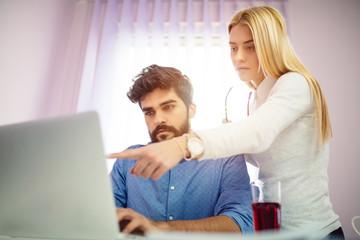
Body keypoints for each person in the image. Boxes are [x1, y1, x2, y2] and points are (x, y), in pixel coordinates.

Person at [108, 6, 343, 239]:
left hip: (314, 232)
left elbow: (259, 133)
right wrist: (230, 139)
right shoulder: (256, 99)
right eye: (233, 48)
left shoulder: (296, 83)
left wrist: (183, 145)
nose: (238, 57)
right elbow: (260, 149)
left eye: (250, 46)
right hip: (276, 232)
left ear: (271, 44)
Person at [110, 64, 253, 235]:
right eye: (149, 112)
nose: (158, 119)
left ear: (191, 110)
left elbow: (241, 222)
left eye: (168, 107)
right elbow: (103, 217)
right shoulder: (127, 163)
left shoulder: (226, 157)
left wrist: (161, 228)